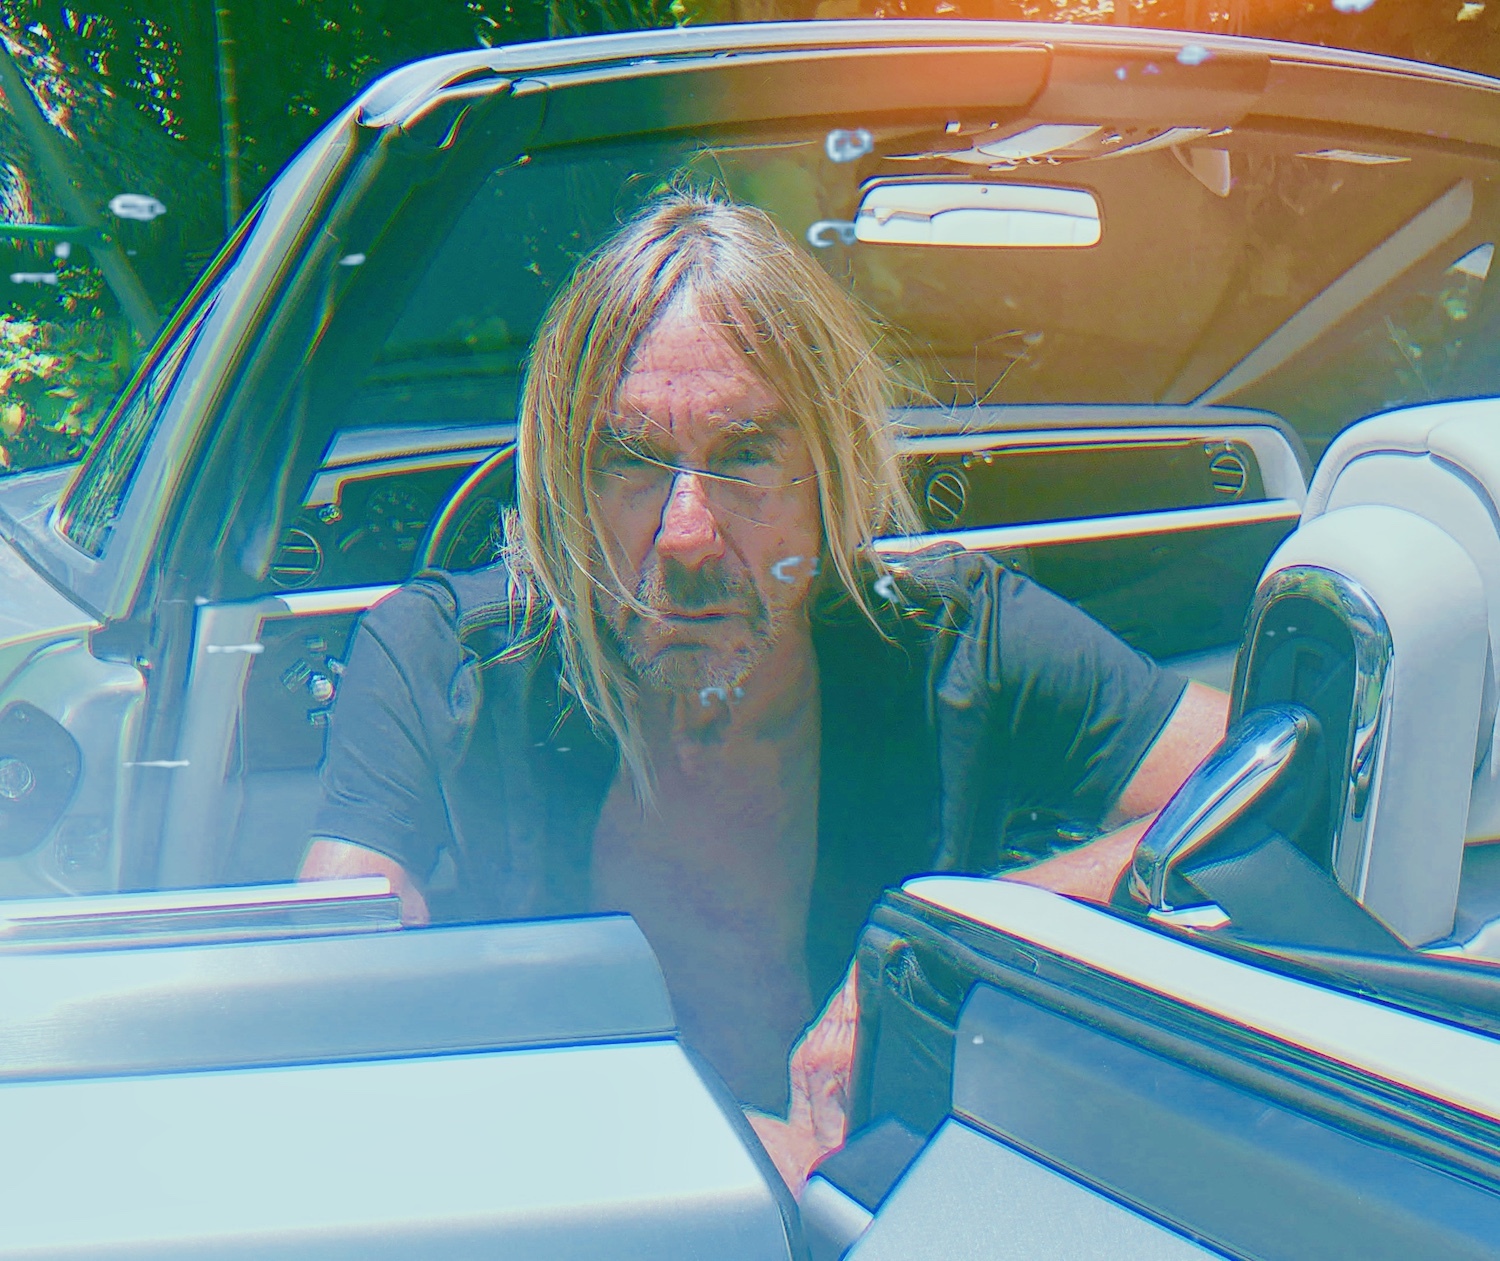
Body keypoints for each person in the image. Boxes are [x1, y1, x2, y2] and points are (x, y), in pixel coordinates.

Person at [299, 191, 1228, 1191]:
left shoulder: (951, 640)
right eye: (631, 463)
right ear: (567, 480)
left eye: (745, 455)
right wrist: (726, 1151)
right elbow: (331, 990)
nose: (689, 537)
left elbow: (1262, 787)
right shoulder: (446, 660)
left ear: (830, 467)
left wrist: (950, 943)